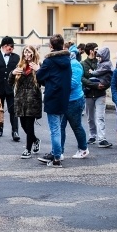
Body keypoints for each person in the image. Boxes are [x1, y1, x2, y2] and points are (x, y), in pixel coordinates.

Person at [35, 34, 72, 166]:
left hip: (53, 97)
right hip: (64, 97)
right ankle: (56, 152)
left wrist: (38, 69)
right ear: (62, 45)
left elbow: (39, 76)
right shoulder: (67, 60)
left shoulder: (49, 61)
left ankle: (56, 157)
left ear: (51, 46)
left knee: (55, 129)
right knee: (59, 127)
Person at [10, 45, 42, 158]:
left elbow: (43, 81)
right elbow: (10, 83)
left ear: (34, 54)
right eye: (25, 53)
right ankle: (35, 140)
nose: (27, 55)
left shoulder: (38, 66)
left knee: (29, 125)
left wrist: (39, 71)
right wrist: (12, 74)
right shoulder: (20, 66)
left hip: (32, 100)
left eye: (29, 53)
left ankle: (28, 149)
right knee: (23, 125)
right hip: (20, 100)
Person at [0, 36, 20, 140]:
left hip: (11, 88)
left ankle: (15, 131)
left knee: (13, 110)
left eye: (12, 46)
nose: (10, 48)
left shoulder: (16, 57)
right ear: (3, 46)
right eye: (8, 46)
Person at [81, 43, 111, 148]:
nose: (98, 51)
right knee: (90, 117)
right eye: (96, 49)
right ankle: (92, 136)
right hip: (89, 94)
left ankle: (102, 138)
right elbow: (82, 78)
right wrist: (95, 85)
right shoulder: (83, 63)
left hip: (100, 94)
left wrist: (103, 86)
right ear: (91, 51)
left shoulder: (102, 62)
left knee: (100, 117)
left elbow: (108, 78)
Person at [62, 48, 89, 159]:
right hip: (64, 100)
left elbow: (73, 83)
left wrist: (58, 84)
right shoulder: (66, 64)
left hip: (74, 100)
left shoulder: (75, 65)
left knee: (76, 126)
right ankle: (59, 151)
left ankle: (83, 149)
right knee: (60, 127)